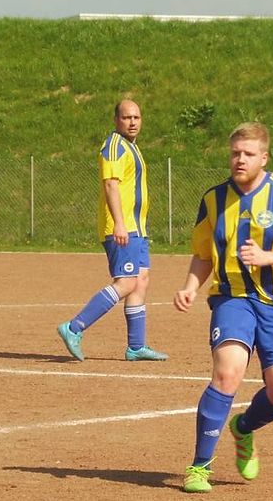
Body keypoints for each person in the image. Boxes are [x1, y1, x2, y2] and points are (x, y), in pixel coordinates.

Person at [173, 121, 273, 493]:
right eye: (235, 153)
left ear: (264, 157)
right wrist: (190, 286)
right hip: (232, 298)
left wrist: (268, 257)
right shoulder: (214, 199)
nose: (240, 159)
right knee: (228, 372)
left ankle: (244, 427)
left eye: (248, 154)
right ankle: (199, 468)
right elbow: (203, 254)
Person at [56, 100, 168, 362]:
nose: (132, 122)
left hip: (136, 228)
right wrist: (119, 223)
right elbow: (110, 185)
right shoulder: (114, 146)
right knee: (126, 282)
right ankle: (74, 327)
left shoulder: (131, 146)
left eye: (136, 117)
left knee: (140, 280)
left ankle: (136, 346)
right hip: (123, 227)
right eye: (127, 117)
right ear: (116, 120)